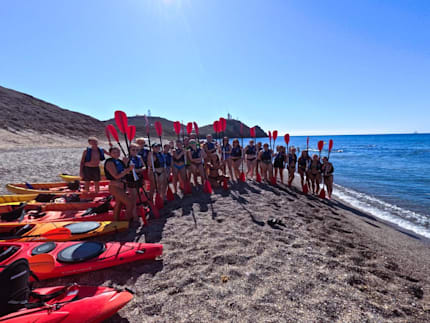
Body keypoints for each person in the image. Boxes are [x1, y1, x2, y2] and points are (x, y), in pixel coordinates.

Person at [104, 147, 135, 220]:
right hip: (115, 186)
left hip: (122, 186)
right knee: (129, 203)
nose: (116, 154)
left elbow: (124, 173)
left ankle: (116, 220)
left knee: (119, 204)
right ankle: (127, 220)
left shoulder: (120, 161)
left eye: (118, 152)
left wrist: (126, 164)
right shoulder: (109, 162)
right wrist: (128, 169)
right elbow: (116, 176)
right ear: (110, 154)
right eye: (114, 152)